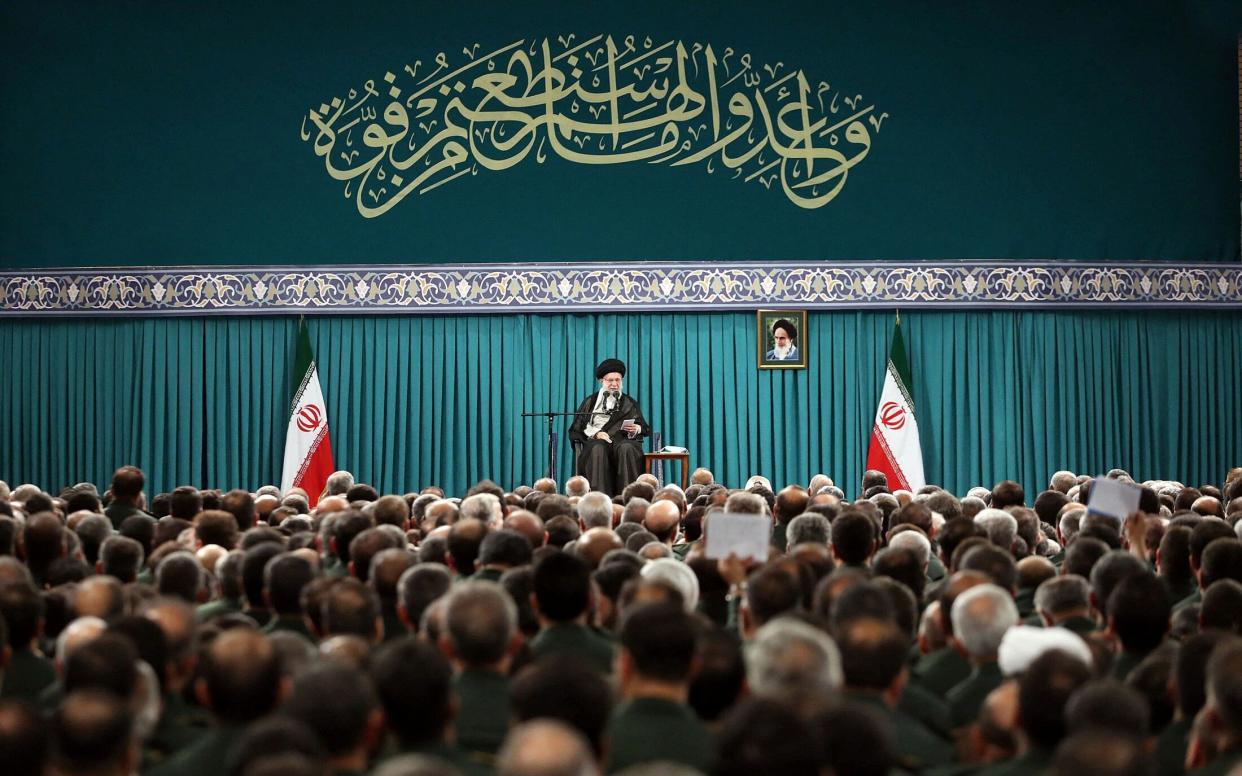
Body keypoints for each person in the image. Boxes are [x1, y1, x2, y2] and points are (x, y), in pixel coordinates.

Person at [568, 359, 649, 497]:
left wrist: (636, 428)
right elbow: (576, 429)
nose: (614, 384)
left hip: (622, 442)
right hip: (596, 443)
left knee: (627, 448)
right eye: (610, 380)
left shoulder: (629, 402)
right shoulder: (590, 402)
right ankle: (598, 499)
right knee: (598, 448)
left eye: (617, 380)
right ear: (602, 381)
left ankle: (629, 498)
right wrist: (596, 434)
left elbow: (645, 428)